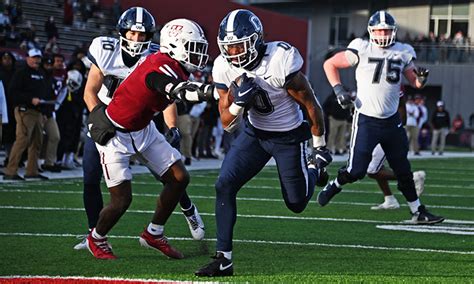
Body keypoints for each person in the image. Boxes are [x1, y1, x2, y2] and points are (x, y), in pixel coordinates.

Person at [195, 9, 332, 277]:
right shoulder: (223, 66)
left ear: (256, 40)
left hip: (288, 136)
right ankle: (224, 259)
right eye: (228, 47)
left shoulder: (280, 59)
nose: (234, 54)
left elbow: (310, 104)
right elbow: (226, 122)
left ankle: (315, 167)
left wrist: (319, 145)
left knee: (296, 204)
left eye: (238, 46)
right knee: (224, 184)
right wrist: (238, 104)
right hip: (254, 135)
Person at [74, 7, 205, 252]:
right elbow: (90, 91)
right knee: (92, 176)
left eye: (143, 35)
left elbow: (167, 96)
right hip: (105, 120)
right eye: (132, 34)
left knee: (171, 174)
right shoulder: (106, 50)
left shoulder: (157, 56)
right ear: (123, 32)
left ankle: (187, 209)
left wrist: (172, 126)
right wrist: (97, 119)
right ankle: (94, 233)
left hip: (141, 123)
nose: (137, 39)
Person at [318, 10, 444, 225]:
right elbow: (330, 64)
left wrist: (421, 80)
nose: (383, 34)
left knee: (403, 169)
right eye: (379, 30)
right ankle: (335, 185)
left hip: (392, 120)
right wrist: (338, 89)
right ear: (371, 31)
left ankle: (418, 211)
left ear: (393, 32)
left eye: (387, 30)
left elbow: (414, 82)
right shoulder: (362, 47)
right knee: (357, 170)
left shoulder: (403, 51)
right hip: (366, 119)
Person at [3, 49, 52, 180]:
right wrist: (30, 99)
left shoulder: (40, 73)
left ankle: (32, 171)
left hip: (38, 112)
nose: (37, 60)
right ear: (27, 58)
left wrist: (44, 110)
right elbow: (13, 92)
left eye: (38, 58)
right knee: (22, 141)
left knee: (37, 143)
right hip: (25, 111)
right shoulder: (21, 73)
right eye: (34, 58)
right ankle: (10, 171)